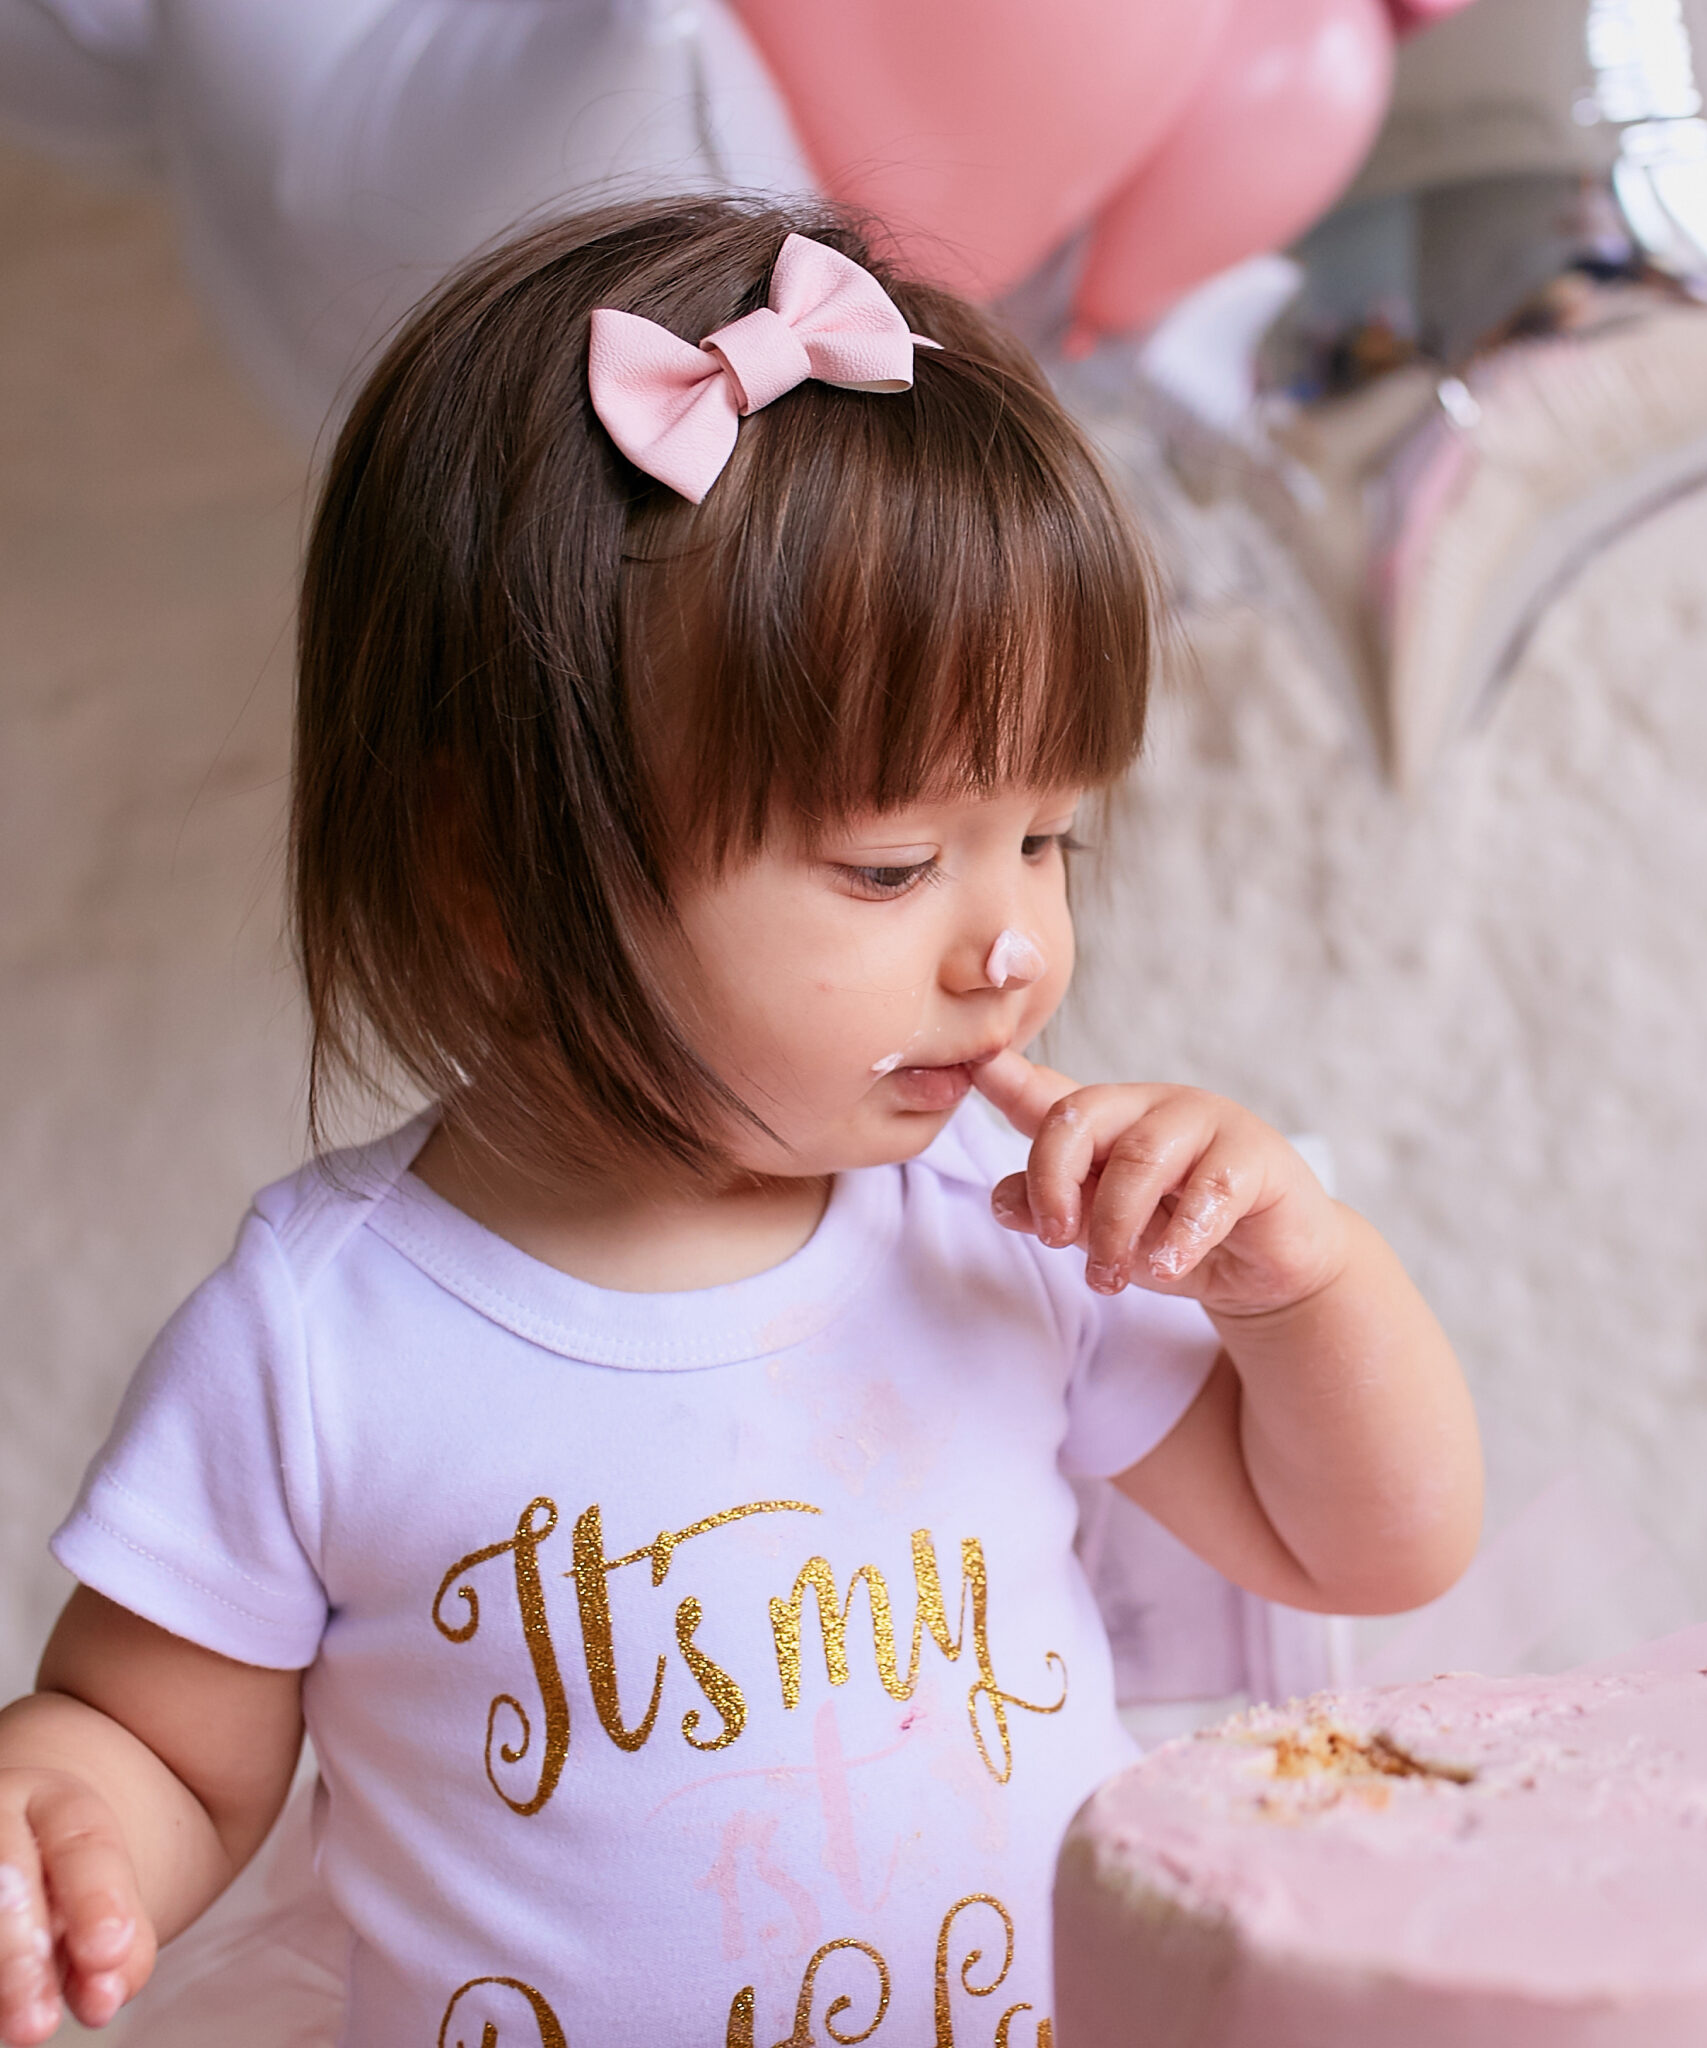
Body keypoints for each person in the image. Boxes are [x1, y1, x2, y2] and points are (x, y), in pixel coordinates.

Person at [0, 197, 1482, 2048]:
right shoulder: (326, 1337)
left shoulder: (997, 1219)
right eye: (889, 865)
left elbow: (1371, 1548)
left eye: (1045, 837)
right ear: (498, 868)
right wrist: (62, 1831)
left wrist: (1300, 1294)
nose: (1013, 942)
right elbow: (163, 1749)